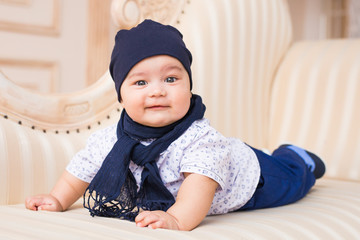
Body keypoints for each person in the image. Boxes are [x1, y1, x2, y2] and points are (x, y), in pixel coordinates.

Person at [25, 19, 326, 231]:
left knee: (295, 181)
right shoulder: (110, 141)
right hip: (230, 155)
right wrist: (57, 198)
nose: (157, 90)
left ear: (189, 86)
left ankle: (297, 157)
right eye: (141, 82)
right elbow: (81, 169)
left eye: (171, 79)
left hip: (255, 180)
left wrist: (178, 220)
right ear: (121, 95)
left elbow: (197, 191)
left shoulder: (200, 139)